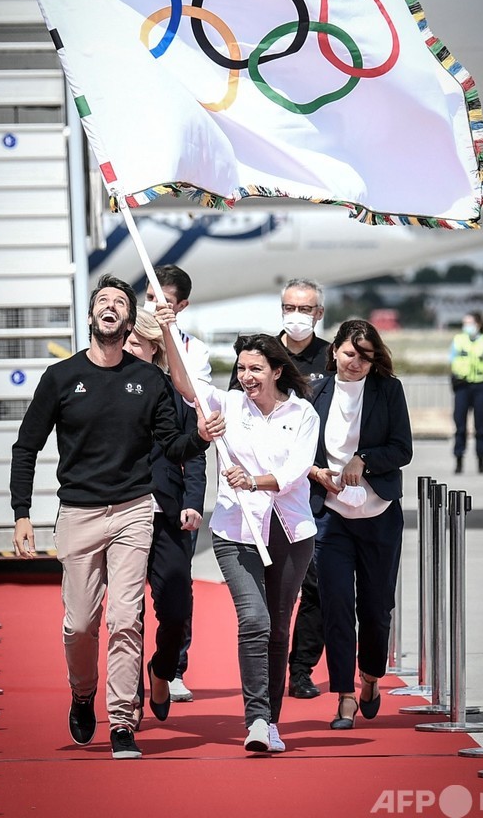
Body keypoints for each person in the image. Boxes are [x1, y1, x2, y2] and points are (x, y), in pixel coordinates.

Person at [9, 274, 223, 760]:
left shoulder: (149, 380)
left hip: (133, 511)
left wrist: (201, 438)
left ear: (128, 321)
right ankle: (83, 692)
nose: (110, 306)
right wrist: (22, 513)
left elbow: (173, 446)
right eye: (102, 300)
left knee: (126, 618)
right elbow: (26, 447)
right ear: (92, 316)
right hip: (78, 513)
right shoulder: (60, 377)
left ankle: (123, 720)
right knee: (80, 624)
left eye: (119, 303)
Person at [158, 304, 320, 753]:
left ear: (277, 371)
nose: (246, 376)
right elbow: (184, 383)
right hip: (236, 531)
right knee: (254, 619)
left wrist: (254, 480)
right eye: (242, 368)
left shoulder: (303, 413)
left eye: (256, 369)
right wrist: (169, 328)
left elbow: (295, 471)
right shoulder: (227, 405)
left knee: (278, 629)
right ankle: (257, 720)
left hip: (290, 532)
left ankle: (272, 722)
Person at [308, 319, 412, 730]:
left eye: (365, 357)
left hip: (379, 515)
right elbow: (299, 449)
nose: (356, 362)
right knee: (335, 606)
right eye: (350, 353)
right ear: (334, 350)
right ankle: (344, 696)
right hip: (331, 518)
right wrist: (315, 472)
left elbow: (402, 449)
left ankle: (370, 676)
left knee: (376, 607)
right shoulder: (314, 391)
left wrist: (363, 459)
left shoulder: (389, 390)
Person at [229, 278, 329, 700]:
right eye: (290, 307)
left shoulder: (331, 357)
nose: (297, 315)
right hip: (269, 495)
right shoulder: (259, 356)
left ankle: (300, 668)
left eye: (305, 308)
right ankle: (270, 693)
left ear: (319, 313)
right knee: (264, 613)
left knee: (316, 590)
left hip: (317, 490)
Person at [124, 310, 207, 728]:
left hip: (168, 514)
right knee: (127, 615)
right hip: (121, 513)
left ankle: (162, 669)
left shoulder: (178, 392)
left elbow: (194, 454)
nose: (127, 347)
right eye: (125, 340)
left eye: (135, 342)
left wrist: (193, 501)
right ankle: (128, 698)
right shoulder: (108, 387)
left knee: (175, 608)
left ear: (154, 348)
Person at [143, 263, 211, 702]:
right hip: (125, 502)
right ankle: (128, 684)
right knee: (126, 602)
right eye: (150, 297)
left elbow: (193, 431)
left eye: (164, 301)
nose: (155, 306)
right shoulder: (119, 347)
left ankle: (172, 667)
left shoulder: (192, 354)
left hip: (171, 498)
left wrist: (193, 499)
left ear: (181, 306)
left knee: (175, 592)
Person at [450, 310, 483, 474]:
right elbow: (452, 360)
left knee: (481, 426)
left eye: (469, 323)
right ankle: (459, 460)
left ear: (478, 324)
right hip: (462, 386)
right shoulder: (458, 340)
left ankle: (481, 460)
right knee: (460, 426)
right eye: (465, 323)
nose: (466, 326)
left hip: (480, 386)